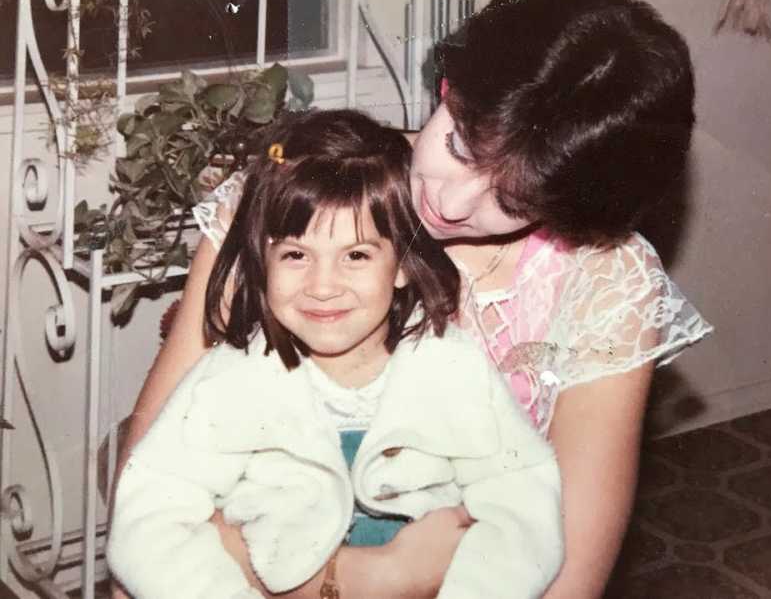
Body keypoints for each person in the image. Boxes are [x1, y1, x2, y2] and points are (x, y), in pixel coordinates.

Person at [116, 0, 713, 598]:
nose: (450, 204)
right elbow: (149, 508)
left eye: (513, 200)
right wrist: (375, 576)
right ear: (448, 87)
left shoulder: (601, 282)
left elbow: (568, 580)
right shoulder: (297, 195)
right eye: (457, 144)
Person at [107, 109, 564, 599]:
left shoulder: (453, 369)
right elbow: (146, 520)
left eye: (357, 256)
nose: (323, 287)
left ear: (402, 266)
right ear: (263, 264)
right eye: (296, 256)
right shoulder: (229, 381)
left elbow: (525, 507)